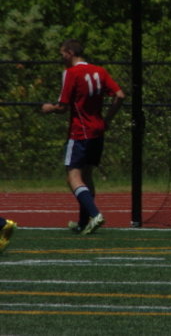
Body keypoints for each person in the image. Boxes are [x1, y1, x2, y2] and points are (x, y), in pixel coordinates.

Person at [41, 39, 125, 235]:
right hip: (97, 131)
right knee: (86, 176)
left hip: (80, 132)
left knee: (73, 176)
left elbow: (63, 107)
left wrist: (49, 108)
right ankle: (82, 223)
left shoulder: (71, 73)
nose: (62, 58)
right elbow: (120, 95)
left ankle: (95, 214)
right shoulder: (100, 71)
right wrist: (107, 120)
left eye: (62, 54)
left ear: (70, 53)